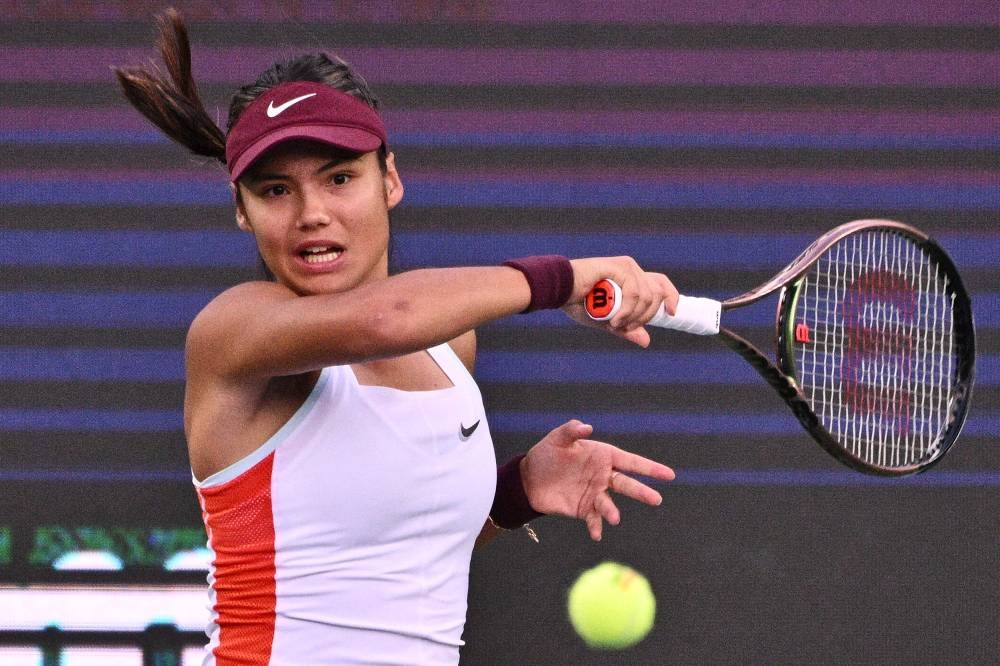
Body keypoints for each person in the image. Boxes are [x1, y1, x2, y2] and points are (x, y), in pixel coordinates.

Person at [115, 9, 678, 665]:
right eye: (275, 190)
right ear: (243, 210)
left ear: (390, 178)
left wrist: (518, 490)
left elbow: (386, 564)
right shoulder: (235, 333)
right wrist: (565, 280)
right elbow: (382, 319)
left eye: (340, 177)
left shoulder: (449, 346)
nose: (312, 214)